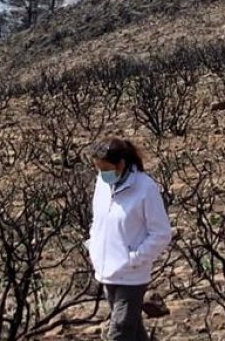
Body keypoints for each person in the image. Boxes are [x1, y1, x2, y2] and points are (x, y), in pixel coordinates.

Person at [87, 138, 172, 341]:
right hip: (107, 271)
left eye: (105, 169)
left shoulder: (145, 188)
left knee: (120, 331)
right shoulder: (102, 183)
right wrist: (93, 247)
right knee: (133, 331)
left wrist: (135, 258)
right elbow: (98, 220)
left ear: (121, 164)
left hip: (131, 275)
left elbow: (161, 233)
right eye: (98, 169)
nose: (102, 174)